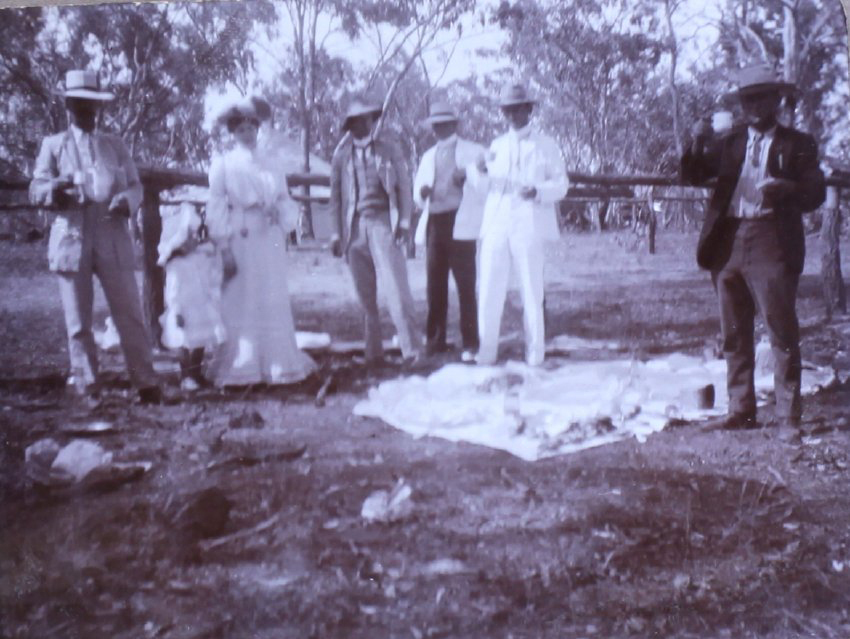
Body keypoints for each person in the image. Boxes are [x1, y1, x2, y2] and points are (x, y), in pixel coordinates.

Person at [681, 64, 826, 434]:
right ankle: (741, 409)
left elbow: (815, 192)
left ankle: (788, 417)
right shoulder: (729, 142)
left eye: (762, 98)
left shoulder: (798, 144)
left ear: (777, 99)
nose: (755, 106)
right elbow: (693, 175)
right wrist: (696, 140)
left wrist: (788, 189)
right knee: (733, 330)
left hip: (771, 238)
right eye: (748, 99)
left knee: (781, 329)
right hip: (727, 240)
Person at [29, 69, 161, 404]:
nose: (87, 112)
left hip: (111, 232)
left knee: (129, 312)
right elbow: (36, 188)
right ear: (68, 107)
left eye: (92, 106)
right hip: (71, 235)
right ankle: (88, 386)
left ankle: (146, 383)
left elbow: (136, 186)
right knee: (78, 320)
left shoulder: (114, 145)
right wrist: (56, 189)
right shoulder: (53, 146)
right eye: (80, 105)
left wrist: (126, 201)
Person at [206, 97, 316, 387]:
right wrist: (224, 247)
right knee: (241, 296)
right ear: (233, 133)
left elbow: (285, 199)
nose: (247, 134)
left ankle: (277, 363)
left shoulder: (272, 163)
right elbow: (216, 206)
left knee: (271, 294)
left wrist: (280, 212)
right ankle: (243, 365)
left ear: (257, 129)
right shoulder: (224, 164)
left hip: (269, 235)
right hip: (240, 233)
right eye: (240, 129)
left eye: (250, 128)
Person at [466, 82, 568, 366]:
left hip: (529, 221)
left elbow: (561, 184)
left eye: (516, 109)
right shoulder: (495, 147)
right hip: (496, 221)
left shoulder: (546, 145)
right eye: (506, 110)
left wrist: (538, 191)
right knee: (489, 288)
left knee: (531, 290)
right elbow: (482, 187)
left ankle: (535, 355)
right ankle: (487, 353)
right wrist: (478, 170)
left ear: (528, 110)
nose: (511, 115)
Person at [328, 97, 423, 367]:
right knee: (364, 294)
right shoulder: (341, 157)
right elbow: (335, 199)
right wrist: (336, 234)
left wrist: (404, 224)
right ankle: (373, 354)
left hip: (383, 223)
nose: (363, 124)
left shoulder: (388, 150)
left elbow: (404, 188)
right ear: (349, 126)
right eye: (357, 121)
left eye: (367, 119)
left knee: (397, 289)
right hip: (354, 228)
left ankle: (412, 351)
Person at [413, 100, 485, 361]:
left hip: (460, 220)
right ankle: (435, 341)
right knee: (435, 284)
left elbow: (485, 186)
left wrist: (467, 175)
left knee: (465, 284)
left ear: (454, 124)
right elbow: (417, 191)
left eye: (444, 124)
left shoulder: (474, 151)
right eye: (435, 125)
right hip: (435, 221)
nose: (439, 129)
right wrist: (422, 193)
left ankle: (471, 342)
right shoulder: (428, 156)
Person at [157, 202, 226, 390]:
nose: (195, 239)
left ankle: (196, 373)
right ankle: (186, 375)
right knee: (184, 342)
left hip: (200, 306)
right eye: (190, 236)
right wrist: (176, 310)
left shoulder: (201, 257)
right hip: (183, 308)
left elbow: (211, 277)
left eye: (196, 235)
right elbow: (172, 290)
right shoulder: (176, 265)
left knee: (200, 342)